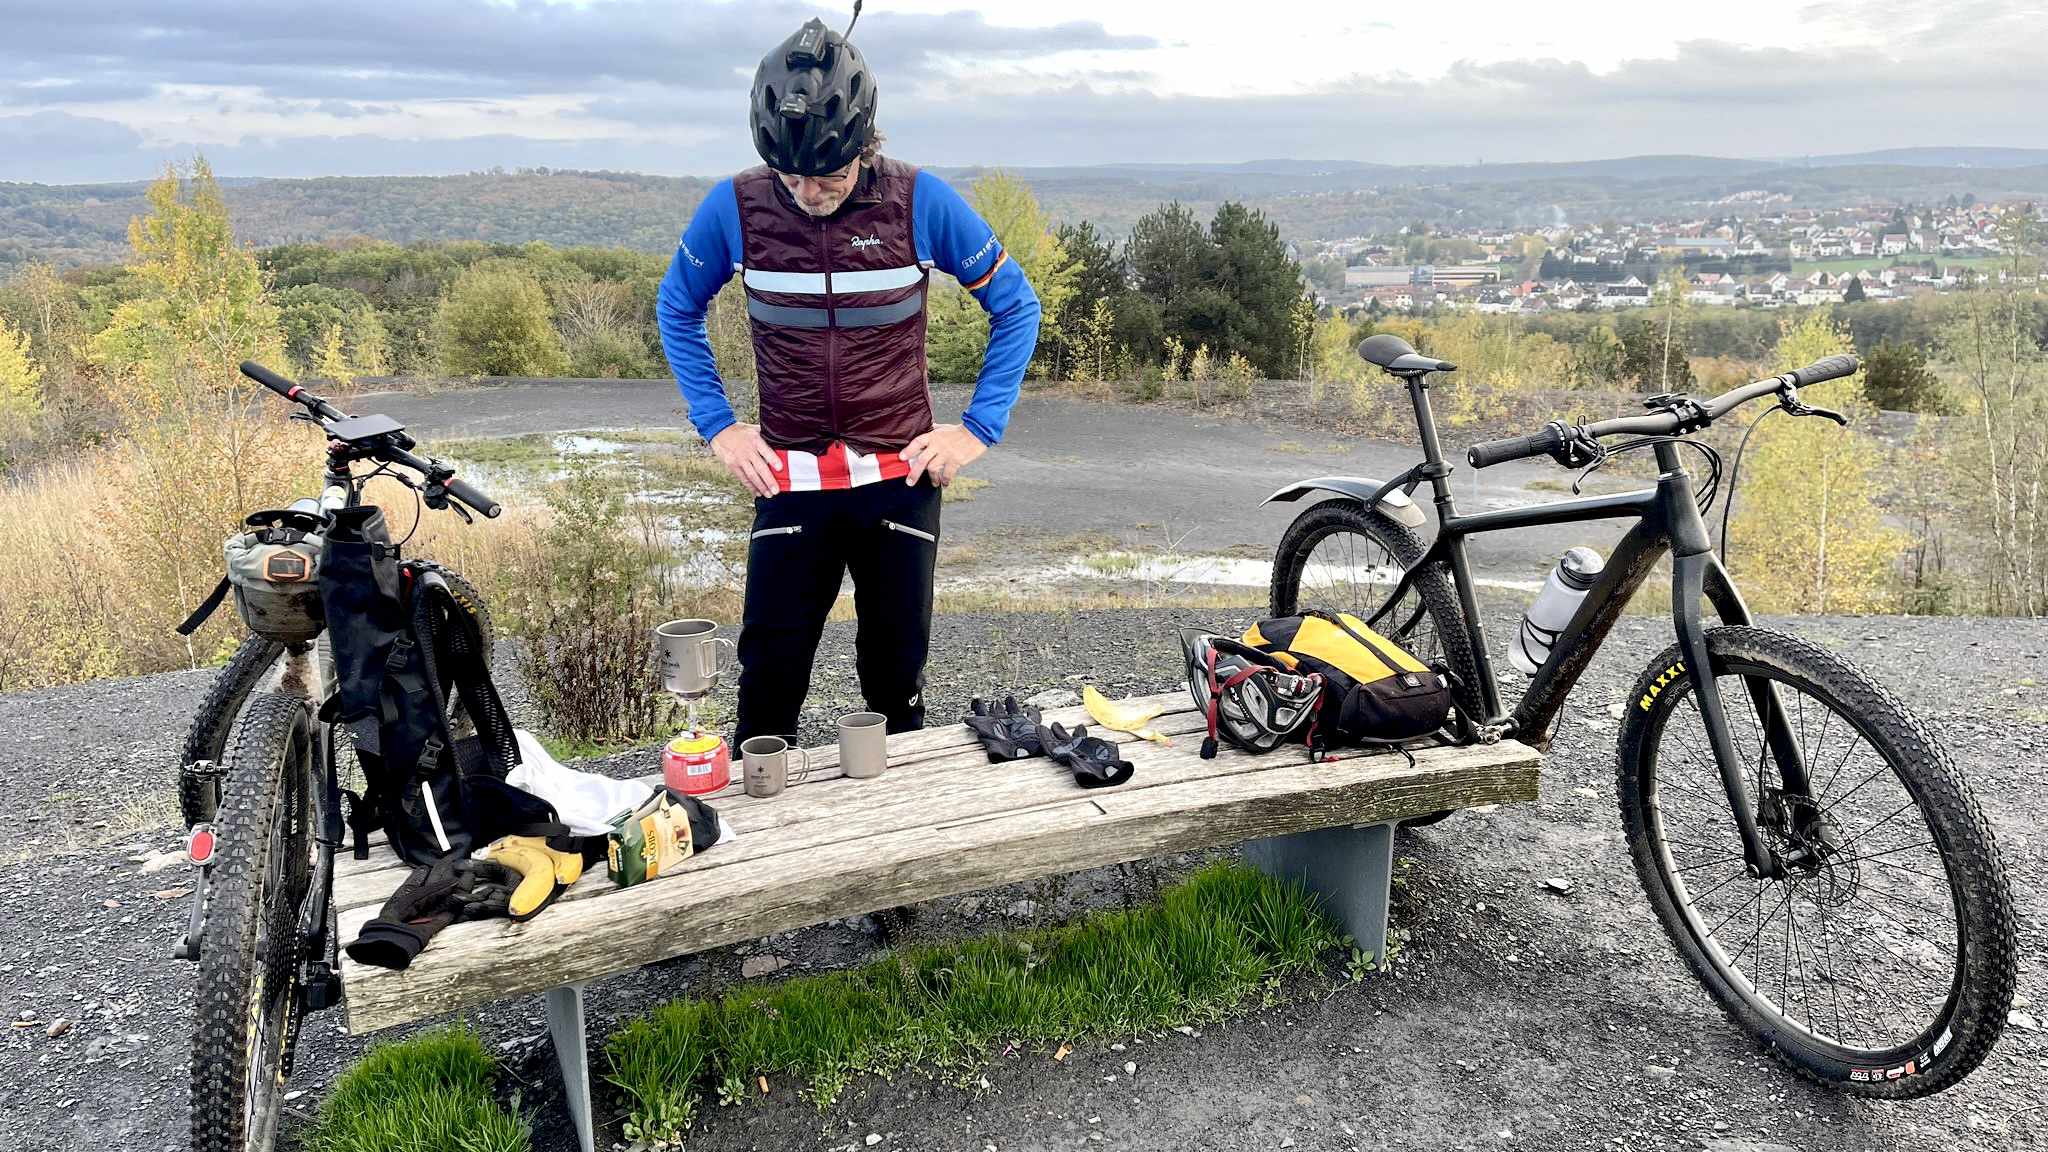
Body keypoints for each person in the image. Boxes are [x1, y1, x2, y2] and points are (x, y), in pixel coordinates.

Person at [656, 14, 1041, 744]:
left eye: (828, 173)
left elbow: (1016, 304)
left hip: (899, 476)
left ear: (865, 145)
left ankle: (897, 846)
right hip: (791, 477)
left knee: (895, 682)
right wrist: (720, 426)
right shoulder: (736, 207)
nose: (808, 192)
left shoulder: (919, 201)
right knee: (768, 679)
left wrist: (977, 429)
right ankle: (759, 851)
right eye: (790, 174)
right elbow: (677, 306)